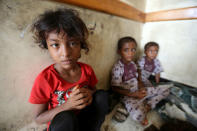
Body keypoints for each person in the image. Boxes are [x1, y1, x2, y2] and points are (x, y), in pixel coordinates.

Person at [29, 8, 109, 131]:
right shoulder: (45, 79)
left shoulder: (86, 70)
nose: (65, 53)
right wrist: (67, 105)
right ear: (47, 47)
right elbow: (38, 118)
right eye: (55, 45)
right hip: (64, 125)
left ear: (81, 45)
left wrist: (90, 94)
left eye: (72, 43)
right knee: (67, 118)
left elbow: (94, 89)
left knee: (102, 96)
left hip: (83, 119)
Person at [111, 37, 169, 126]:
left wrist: (141, 86)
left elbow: (138, 77)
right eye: (126, 50)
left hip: (139, 91)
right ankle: (138, 107)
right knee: (138, 115)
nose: (130, 53)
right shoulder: (118, 67)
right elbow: (114, 88)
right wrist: (133, 94)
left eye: (133, 50)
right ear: (119, 51)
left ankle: (148, 105)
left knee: (166, 90)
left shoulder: (133, 64)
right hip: (129, 96)